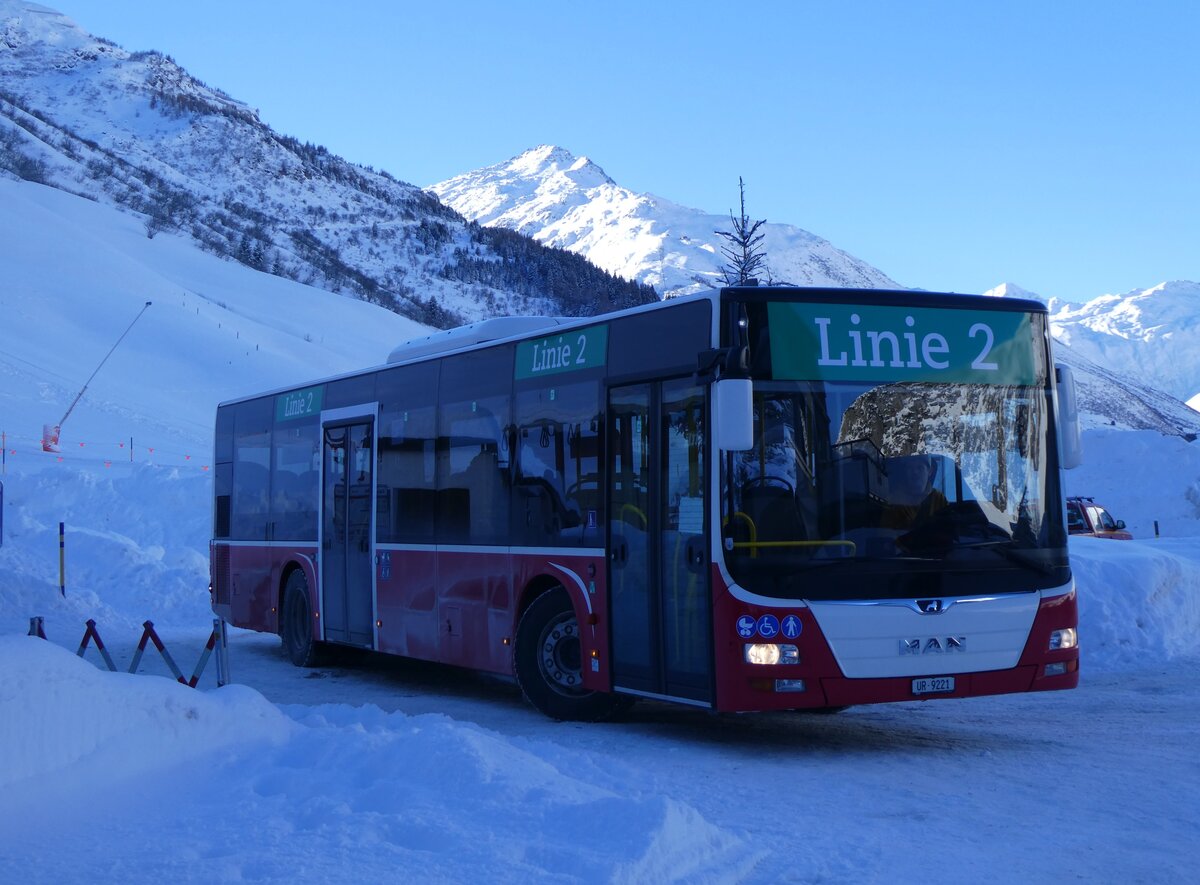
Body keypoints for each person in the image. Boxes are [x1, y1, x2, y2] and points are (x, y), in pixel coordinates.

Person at [881, 454, 948, 530]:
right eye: (910, 468)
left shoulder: (939, 498)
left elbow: (949, 530)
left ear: (930, 471)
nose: (915, 472)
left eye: (920, 468)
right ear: (905, 472)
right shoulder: (893, 501)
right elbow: (887, 536)